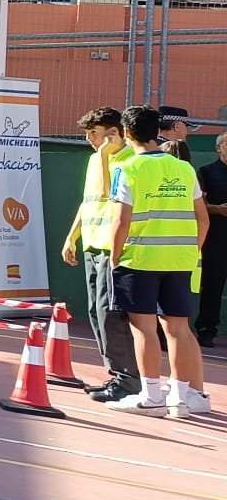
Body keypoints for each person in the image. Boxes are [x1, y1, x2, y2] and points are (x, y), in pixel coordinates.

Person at [105, 106, 210, 418]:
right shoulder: (184, 169)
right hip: (179, 259)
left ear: (127, 133)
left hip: (140, 259)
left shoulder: (127, 169)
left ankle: (151, 396)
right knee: (177, 328)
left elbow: (121, 221)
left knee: (144, 329)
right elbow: (202, 219)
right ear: (157, 132)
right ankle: (180, 397)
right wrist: (191, 250)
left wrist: (115, 257)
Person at [61, 107, 143, 403]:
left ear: (114, 134)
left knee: (112, 315)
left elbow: (111, 195)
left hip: (114, 248)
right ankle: (116, 374)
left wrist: (108, 156)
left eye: (93, 134)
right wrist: (73, 237)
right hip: (93, 246)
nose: (89, 140)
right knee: (97, 312)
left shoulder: (130, 160)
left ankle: (129, 379)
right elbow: (89, 201)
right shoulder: (96, 160)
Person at [197, 131, 227, 350]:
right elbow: (198, 206)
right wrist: (218, 209)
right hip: (216, 239)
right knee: (212, 286)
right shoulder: (207, 172)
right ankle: (207, 330)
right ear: (219, 147)